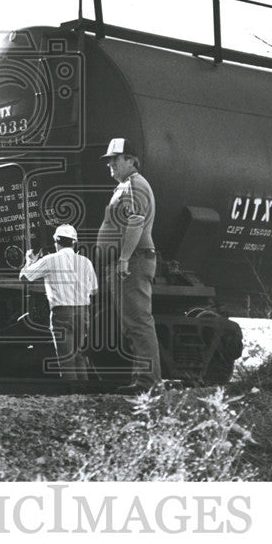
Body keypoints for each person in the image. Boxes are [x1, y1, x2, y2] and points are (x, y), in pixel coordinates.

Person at [98, 137, 162, 393]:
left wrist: (123, 258)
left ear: (131, 160)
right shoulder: (127, 185)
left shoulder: (133, 185)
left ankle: (149, 384)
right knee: (135, 324)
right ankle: (144, 382)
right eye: (109, 160)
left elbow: (135, 221)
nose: (110, 165)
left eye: (115, 159)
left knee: (139, 323)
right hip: (130, 261)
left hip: (133, 261)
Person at [19, 223, 98, 380]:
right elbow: (94, 290)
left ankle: (72, 397)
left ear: (56, 241)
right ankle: (85, 396)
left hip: (62, 313)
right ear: (74, 242)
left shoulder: (50, 260)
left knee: (66, 359)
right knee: (79, 356)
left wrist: (30, 261)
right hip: (83, 312)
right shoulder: (86, 262)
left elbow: (24, 277)